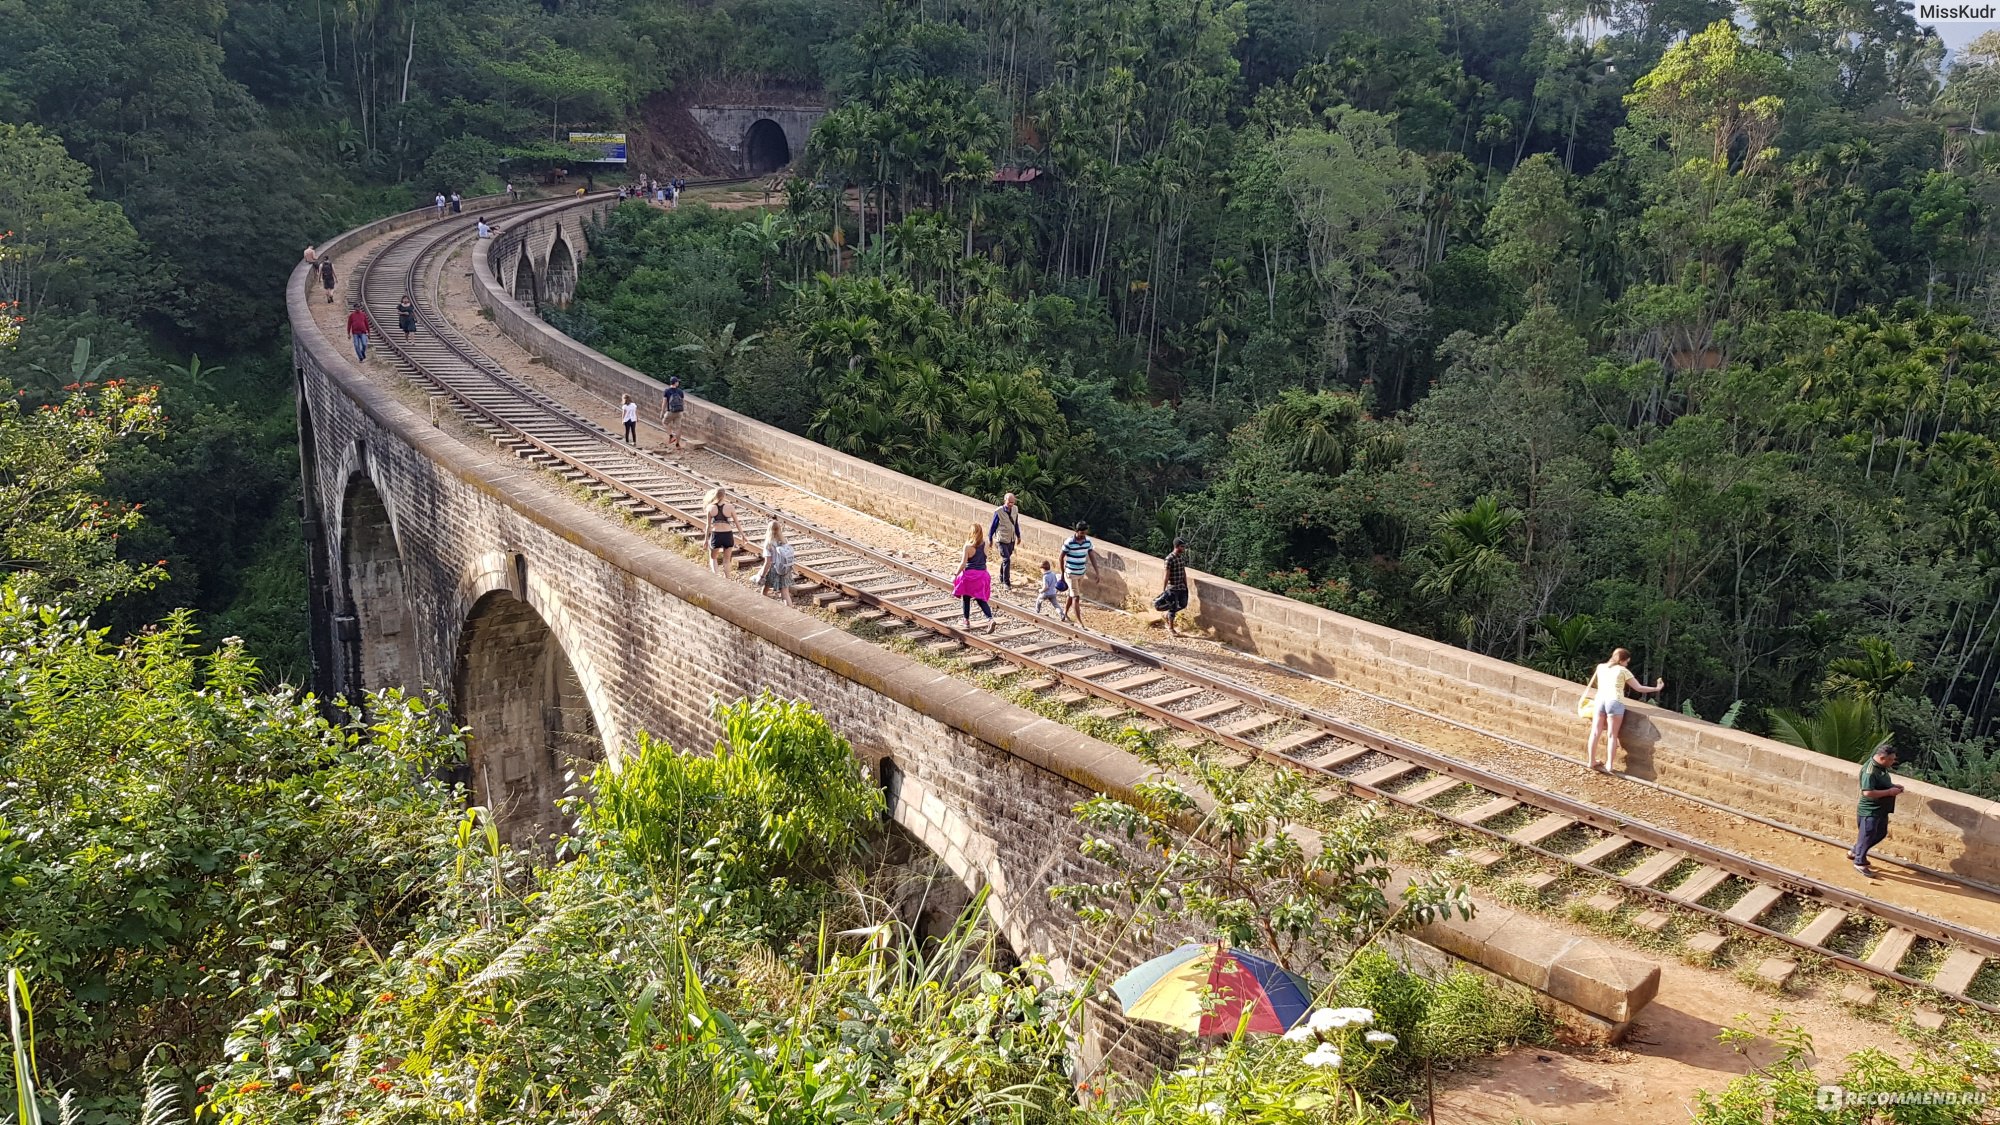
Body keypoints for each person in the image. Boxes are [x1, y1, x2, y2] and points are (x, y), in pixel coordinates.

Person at [1582, 648, 1664, 773]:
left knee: (1595, 732)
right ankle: (1609, 764)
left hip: (1599, 700)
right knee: (1612, 735)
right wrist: (1656, 688)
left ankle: (1591, 761)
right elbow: (1639, 688)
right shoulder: (1623, 671)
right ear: (1622, 661)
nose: (1627, 664)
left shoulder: (1600, 667)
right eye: (1626, 662)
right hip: (1614, 702)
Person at [1851, 745, 1905, 876]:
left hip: (1881, 809)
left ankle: (1855, 851)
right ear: (1882, 758)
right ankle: (1859, 861)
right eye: (1891, 760)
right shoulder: (1870, 771)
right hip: (1870, 811)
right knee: (1867, 835)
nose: (1893, 762)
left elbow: (1879, 785)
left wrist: (1892, 786)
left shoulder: (1881, 768)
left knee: (1880, 833)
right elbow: (1868, 792)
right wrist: (1889, 792)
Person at [953, 525, 996, 633]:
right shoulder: (986, 543)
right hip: (982, 575)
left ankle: (966, 620)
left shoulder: (967, 546)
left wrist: (955, 575)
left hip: (969, 576)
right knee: (981, 599)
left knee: (966, 597)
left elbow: (963, 564)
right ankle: (990, 619)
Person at [1061, 522, 1099, 625]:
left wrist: (1097, 572)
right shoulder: (1069, 542)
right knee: (1076, 597)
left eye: (1085, 533)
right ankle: (1079, 621)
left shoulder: (1087, 542)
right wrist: (1062, 574)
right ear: (1076, 531)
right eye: (1081, 533)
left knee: (1071, 594)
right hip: (1071, 572)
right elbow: (1061, 557)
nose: (1083, 535)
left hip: (1081, 572)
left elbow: (1092, 556)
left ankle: (1064, 613)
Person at [758, 521, 797, 606]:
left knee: (765, 590)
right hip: (785, 568)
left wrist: (762, 576)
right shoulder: (784, 540)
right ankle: (790, 612)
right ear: (780, 529)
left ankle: (762, 606)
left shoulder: (768, 544)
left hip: (774, 569)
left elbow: (767, 562)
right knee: (785, 593)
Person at [988, 492, 1022, 588]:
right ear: (1005, 501)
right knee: (1007, 559)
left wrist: (1018, 536)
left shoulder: (1015, 509)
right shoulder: (998, 511)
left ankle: (1002, 576)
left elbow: (1016, 523)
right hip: (1001, 539)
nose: (1011, 504)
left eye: (1012, 502)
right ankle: (1006, 582)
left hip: (1011, 539)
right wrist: (990, 538)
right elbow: (993, 526)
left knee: (1005, 559)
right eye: (1009, 502)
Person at [1159, 536, 1191, 636]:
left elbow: (1183, 571)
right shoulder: (1169, 559)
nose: (1184, 548)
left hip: (1181, 586)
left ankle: (1167, 615)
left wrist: (1186, 584)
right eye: (1182, 546)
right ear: (1176, 546)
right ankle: (1171, 628)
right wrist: (1164, 589)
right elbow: (1166, 575)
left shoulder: (1180, 558)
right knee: (1173, 607)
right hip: (1172, 587)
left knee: (1183, 604)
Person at [703, 488, 737, 574]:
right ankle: (727, 578)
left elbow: (708, 525)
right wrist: (743, 536)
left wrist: (706, 540)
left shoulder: (710, 507)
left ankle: (716, 576)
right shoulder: (730, 507)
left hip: (716, 534)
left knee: (713, 557)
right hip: (728, 535)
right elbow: (737, 523)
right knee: (727, 560)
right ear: (724, 495)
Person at [662, 375, 686, 449]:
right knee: (678, 428)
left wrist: (662, 411)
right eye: (678, 382)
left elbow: (664, 402)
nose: (678, 383)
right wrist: (682, 411)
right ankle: (678, 445)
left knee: (664, 422)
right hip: (679, 412)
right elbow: (682, 402)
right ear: (675, 383)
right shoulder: (680, 391)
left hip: (670, 411)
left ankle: (671, 436)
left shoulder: (667, 391)